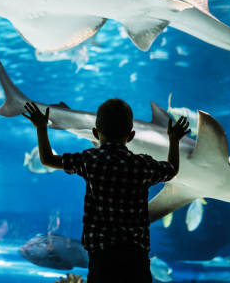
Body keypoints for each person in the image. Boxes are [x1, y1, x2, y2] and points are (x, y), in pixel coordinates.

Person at [23, 98, 190, 283]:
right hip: (135, 255)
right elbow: (172, 169)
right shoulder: (142, 165)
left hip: (101, 254)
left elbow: (47, 160)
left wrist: (41, 127)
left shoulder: (90, 160)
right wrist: (174, 139)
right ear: (131, 136)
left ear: (95, 133)